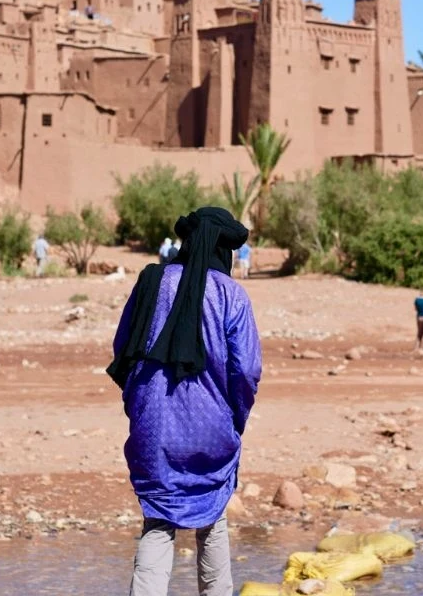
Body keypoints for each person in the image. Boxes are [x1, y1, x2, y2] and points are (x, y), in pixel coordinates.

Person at [106, 206, 260, 596]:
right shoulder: (232, 295)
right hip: (212, 427)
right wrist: (235, 418)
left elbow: (122, 349)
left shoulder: (151, 282)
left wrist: (139, 404)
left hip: (153, 426)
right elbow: (245, 371)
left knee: (158, 521)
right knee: (214, 517)